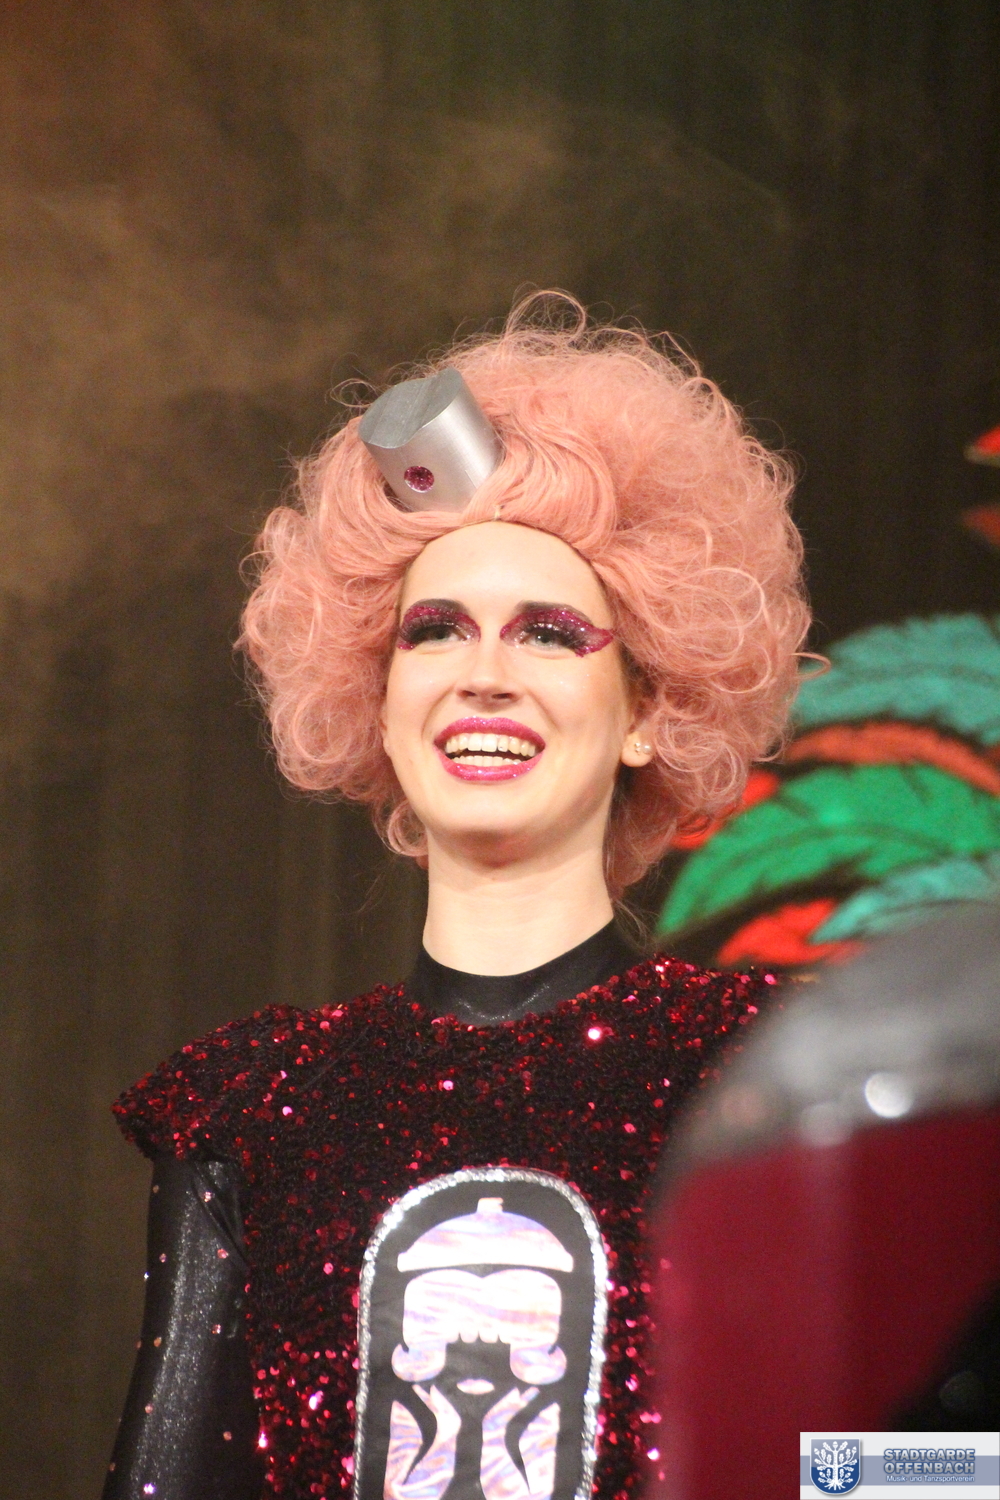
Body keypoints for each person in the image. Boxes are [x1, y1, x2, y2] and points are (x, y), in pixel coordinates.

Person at [105, 294, 808, 1500]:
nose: (483, 675)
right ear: (376, 698)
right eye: (435, 631)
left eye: (548, 634)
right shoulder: (253, 1109)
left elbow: (932, 1463)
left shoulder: (777, 1077)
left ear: (646, 711)